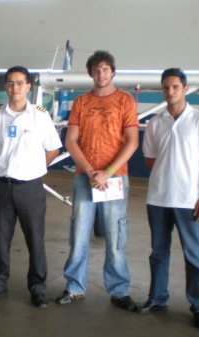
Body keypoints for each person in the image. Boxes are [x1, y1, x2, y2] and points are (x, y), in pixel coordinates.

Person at [55, 51, 139, 311]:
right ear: (90, 73)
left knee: (115, 236)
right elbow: (71, 140)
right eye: (96, 69)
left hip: (115, 179)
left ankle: (119, 290)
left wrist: (108, 172)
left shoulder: (125, 102)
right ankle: (75, 286)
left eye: (105, 69)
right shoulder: (81, 102)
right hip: (85, 178)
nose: (101, 74)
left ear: (112, 71)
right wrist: (91, 171)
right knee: (79, 233)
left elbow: (132, 141)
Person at [0, 66, 62, 308]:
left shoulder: (40, 116)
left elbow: (53, 148)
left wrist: (35, 168)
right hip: (2, 187)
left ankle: (38, 289)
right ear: (6, 87)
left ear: (28, 87)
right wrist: (1, 164)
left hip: (31, 188)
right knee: (1, 239)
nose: (15, 87)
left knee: (35, 240)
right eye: (10, 83)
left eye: (20, 83)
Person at [139, 68, 199, 330]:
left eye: (174, 87)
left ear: (184, 89)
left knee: (193, 255)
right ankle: (158, 298)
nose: (169, 91)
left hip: (188, 201)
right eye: (165, 87)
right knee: (158, 253)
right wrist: (167, 174)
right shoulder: (155, 122)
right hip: (158, 199)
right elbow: (150, 159)